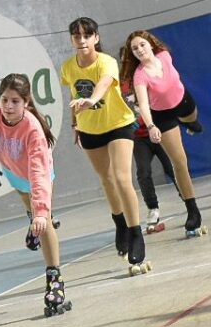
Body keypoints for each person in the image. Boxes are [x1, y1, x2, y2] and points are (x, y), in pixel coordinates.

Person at [61, 17, 151, 274]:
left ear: (95, 38)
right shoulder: (67, 67)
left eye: (86, 36)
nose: (81, 41)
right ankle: (120, 223)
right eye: (76, 36)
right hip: (90, 129)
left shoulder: (107, 61)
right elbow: (72, 96)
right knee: (107, 180)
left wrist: (92, 99)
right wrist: (75, 124)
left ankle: (136, 233)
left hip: (118, 125)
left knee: (123, 178)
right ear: (72, 40)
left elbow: (103, 84)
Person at [0, 73, 71, 317]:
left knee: (43, 220)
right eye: (4, 99)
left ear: (26, 102)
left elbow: (38, 173)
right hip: (13, 171)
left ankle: (55, 279)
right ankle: (35, 221)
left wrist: (41, 211)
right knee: (31, 212)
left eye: (15, 101)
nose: (8, 106)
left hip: (37, 175)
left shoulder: (32, 130)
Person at [119, 30, 207, 235]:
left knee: (194, 123)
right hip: (162, 115)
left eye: (142, 45)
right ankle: (192, 210)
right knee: (179, 162)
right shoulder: (140, 76)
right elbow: (143, 104)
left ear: (150, 45)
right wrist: (151, 126)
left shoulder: (165, 56)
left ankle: (191, 125)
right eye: (135, 48)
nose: (140, 50)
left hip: (183, 102)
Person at [121, 76, 178, 232]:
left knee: (172, 167)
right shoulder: (120, 86)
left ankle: (188, 201)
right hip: (139, 138)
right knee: (143, 172)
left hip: (159, 131)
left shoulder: (146, 78)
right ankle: (153, 208)